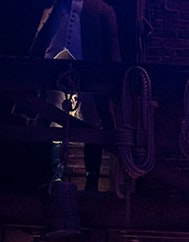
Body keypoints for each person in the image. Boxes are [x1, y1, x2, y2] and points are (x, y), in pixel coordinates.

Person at [28, 0, 121, 190]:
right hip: (53, 67)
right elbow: (40, 36)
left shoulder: (101, 8)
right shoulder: (52, 6)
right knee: (53, 120)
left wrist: (114, 78)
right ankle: (56, 176)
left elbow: (112, 46)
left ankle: (92, 180)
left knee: (91, 123)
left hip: (88, 71)